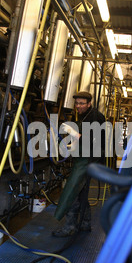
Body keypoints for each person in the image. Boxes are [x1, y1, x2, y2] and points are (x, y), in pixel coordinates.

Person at [52, 91, 106, 237]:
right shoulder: (85, 115)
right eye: (76, 103)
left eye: (82, 103)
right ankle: (85, 222)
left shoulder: (95, 116)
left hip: (88, 159)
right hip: (84, 156)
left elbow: (90, 139)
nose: (78, 106)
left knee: (72, 189)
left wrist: (73, 133)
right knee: (82, 191)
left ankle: (70, 226)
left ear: (89, 104)